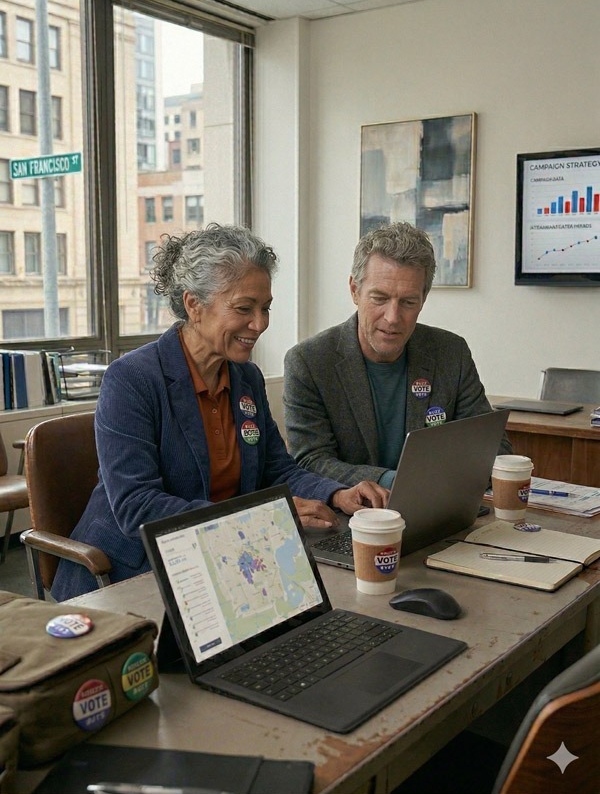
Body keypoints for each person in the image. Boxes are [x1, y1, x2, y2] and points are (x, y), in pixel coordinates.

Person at [51, 224, 387, 602]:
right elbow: (137, 506)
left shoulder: (245, 377)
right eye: (244, 308)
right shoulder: (132, 380)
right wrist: (262, 517)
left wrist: (337, 493)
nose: (259, 324)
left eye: (265, 308)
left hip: (222, 561)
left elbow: (276, 468)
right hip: (130, 575)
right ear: (194, 304)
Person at [283, 221, 512, 488]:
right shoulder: (309, 362)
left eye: (408, 302)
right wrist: (399, 482)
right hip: (354, 517)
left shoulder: (451, 353)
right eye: (379, 298)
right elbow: (310, 460)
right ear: (354, 290)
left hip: (438, 509)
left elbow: (493, 447)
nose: (393, 318)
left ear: (423, 299)